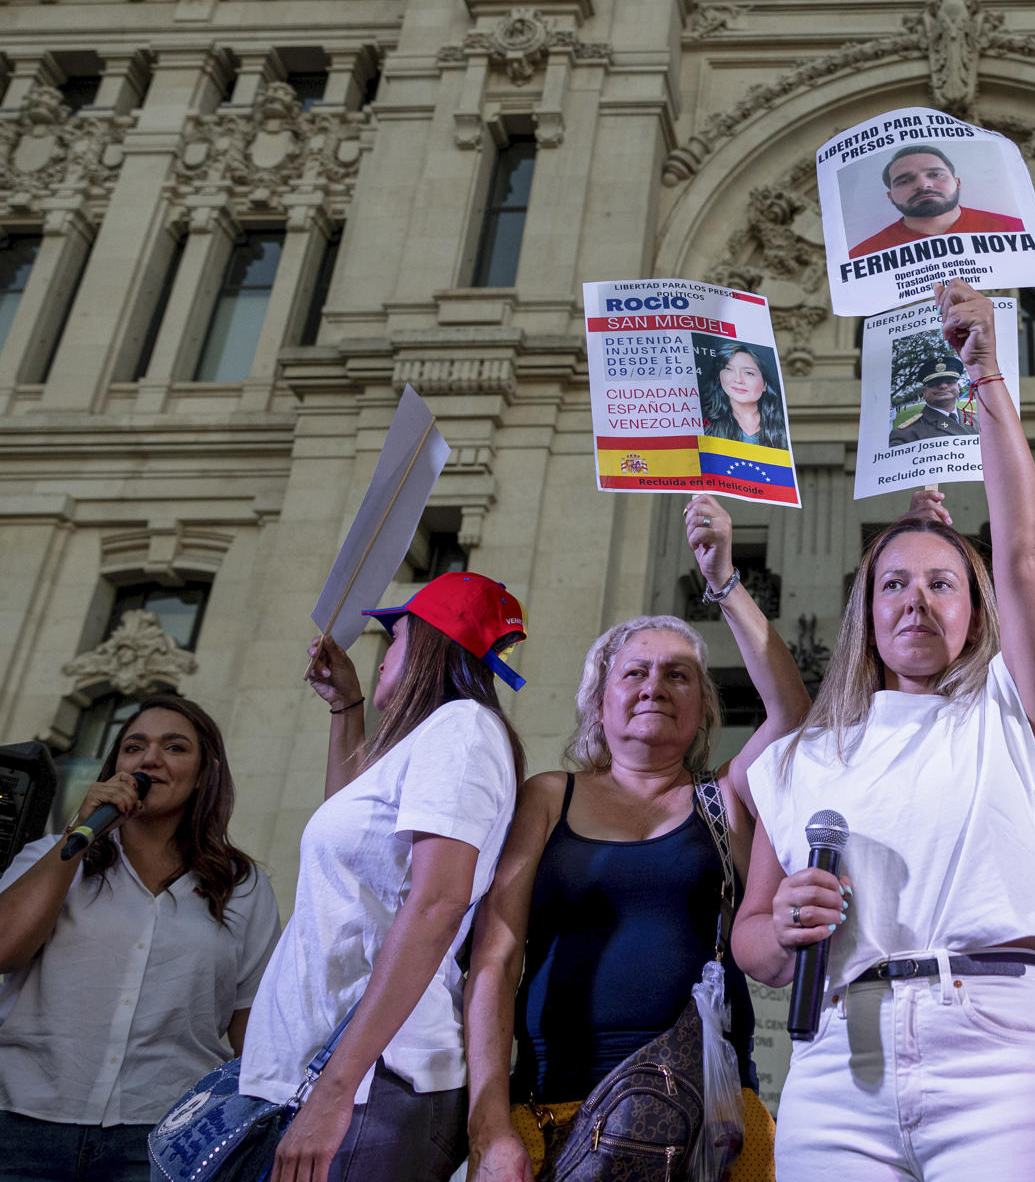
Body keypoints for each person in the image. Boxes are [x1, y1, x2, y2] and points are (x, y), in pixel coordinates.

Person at [735, 277, 1035, 1181]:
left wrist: (986, 385)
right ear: (866, 609)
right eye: (895, 583)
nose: (918, 600)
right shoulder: (796, 760)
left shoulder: (1012, 716)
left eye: (944, 583)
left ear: (976, 615)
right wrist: (782, 927)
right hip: (834, 1063)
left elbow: (1023, 554)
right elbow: (751, 939)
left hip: (997, 1053)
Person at [465, 494, 811, 1182]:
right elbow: (495, 961)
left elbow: (792, 712)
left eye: (679, 674)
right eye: (636, 671)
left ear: (702, 706)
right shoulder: (547, 796)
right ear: (601, 700)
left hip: (711, 1119)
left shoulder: (727, 797)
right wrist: (488, 1122)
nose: (657, 684)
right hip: (554, 1108)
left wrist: (724, 583)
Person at [242, 571, 532, 1182]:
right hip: (334, 1075)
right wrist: (345, 709)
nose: (379, 657)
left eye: (394, 637)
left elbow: (438, 902)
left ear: (429, 643)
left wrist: (334, 1089)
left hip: (375, 1084)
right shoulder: (427, 740)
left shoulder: (462, 730)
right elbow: (350, 846)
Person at [0, 697, 279, 1182]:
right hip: (23, 1124)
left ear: (205, 772)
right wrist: (78, 832)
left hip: (161, 1137)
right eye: (134, 747)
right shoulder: (51, 856)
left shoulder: (243, 884)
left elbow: (252, 1026)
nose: (149, 760)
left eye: (174, 747)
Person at [848, 144, 1026, 258]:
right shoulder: (863, 256)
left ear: (957, 183)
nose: (923, 184)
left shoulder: (1014, 231)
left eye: (936, 174)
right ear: (890, 196)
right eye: (904, 181)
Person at [702, 342, 788, 450]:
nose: (738, 380)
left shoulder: (784, 429)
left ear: (765, 384)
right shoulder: (706, 427)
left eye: (749, 373)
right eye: (729, 369)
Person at [889, 355, 977, 446]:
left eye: (949, 381)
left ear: (958, 387)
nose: (943, 386)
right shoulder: (906, 434)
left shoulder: (976, 419)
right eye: (935, 383)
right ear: (924, 392)